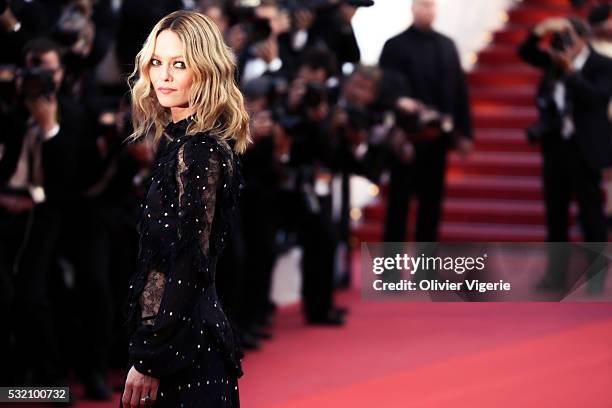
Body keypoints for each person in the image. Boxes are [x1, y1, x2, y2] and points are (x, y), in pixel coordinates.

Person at [120, 10, 250, 408]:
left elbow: (191, 263)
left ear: (205, 70)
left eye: (179, 64)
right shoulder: (181, 145)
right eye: (157, 62)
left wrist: (151, 359)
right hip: (179, 342)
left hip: (185, 356)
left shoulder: (199, 151)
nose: (164, 76)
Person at [518, 17, 612, 290]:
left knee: (591, 216)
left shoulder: (602, 65)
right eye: (560, 38)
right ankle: (555, 277)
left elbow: (596, 98)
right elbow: (525, 52)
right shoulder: (552, 62)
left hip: (587, 149)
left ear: (583, 39)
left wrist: (570, 71)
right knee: (555, 216)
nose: (563, 44)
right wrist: (540, 30)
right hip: (556, 148)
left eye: (568, 37)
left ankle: (595, 279)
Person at [378, 0, 473, 243]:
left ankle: (425, 274)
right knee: (397, 210)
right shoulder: (395, 46)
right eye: (422, 4)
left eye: (431, 5)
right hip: (405, 142)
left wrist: (464, 133)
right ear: (412, 7)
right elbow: (383, 91)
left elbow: (460, 91)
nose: (427, 10)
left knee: (431, 210)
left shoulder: (447, 45)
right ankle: (390, 277)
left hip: (437, 141)